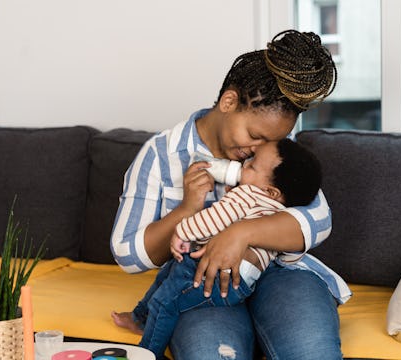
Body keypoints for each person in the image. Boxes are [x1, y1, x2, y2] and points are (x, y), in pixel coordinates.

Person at [110, 29, 352, 360]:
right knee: (211, 353)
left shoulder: (276, 151)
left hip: (283, 276)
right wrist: (185, 210)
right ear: (229, 102)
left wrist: (241, 233)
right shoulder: (162, 154)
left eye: (268, 143)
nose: (256, 150)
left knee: (311, 351)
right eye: (254, 135)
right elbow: (127, 253)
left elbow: (319, 219)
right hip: (204, 282)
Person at [113, 138, 323, 358]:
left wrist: (182, 231)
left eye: (251, 165)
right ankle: (139, 316)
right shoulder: (280, 210)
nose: (244, 165)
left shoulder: (247, 195)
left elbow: (213, 219)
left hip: (209, 274)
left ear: (271, 191)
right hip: (240, 285)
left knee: (165, 304)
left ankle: (146, 352)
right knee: (169, 272)